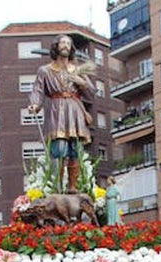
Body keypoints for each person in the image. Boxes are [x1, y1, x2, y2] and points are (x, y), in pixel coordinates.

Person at [28, 34, 94, 193]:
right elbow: (38, 90)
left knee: (75, 150)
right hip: (56, 111)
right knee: (59, 149)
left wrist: (81, 82)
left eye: (68, 43)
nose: (65, 45)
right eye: (62, 42)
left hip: (75, 110)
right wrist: (35, 104)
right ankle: (57, 188)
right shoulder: (45, 70)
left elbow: (91, 94)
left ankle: (72, 187)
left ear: (71, 48)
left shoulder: (78, 70)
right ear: (56, 47)